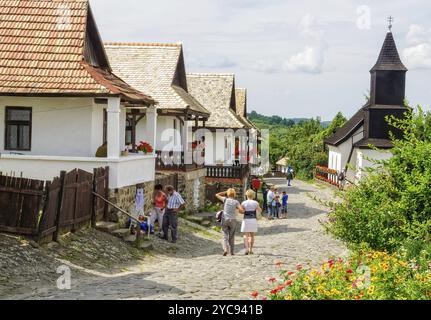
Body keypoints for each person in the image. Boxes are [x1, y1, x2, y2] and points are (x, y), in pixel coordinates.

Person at [216, 188, 244, 256]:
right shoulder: (236, 202)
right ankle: (232, 252)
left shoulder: (225, 199)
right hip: (233, 220)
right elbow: (241, 210)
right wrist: (240, 211)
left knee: (224, 235)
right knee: (231, 236)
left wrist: (225, 192)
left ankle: (225, 249)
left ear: (228, 194)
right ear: (234, 194)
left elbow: (217, 194)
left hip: (225, 219)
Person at [241, 189, 262, 255]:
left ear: (246, 195)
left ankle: (246, 249)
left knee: (245, 235)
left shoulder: (244, 203)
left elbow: (241, 211)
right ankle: (251, 249)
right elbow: (260, 210)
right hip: (253, 220)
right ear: (253, 195)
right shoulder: (255, 203)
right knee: (252, 236)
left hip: (246, 220)